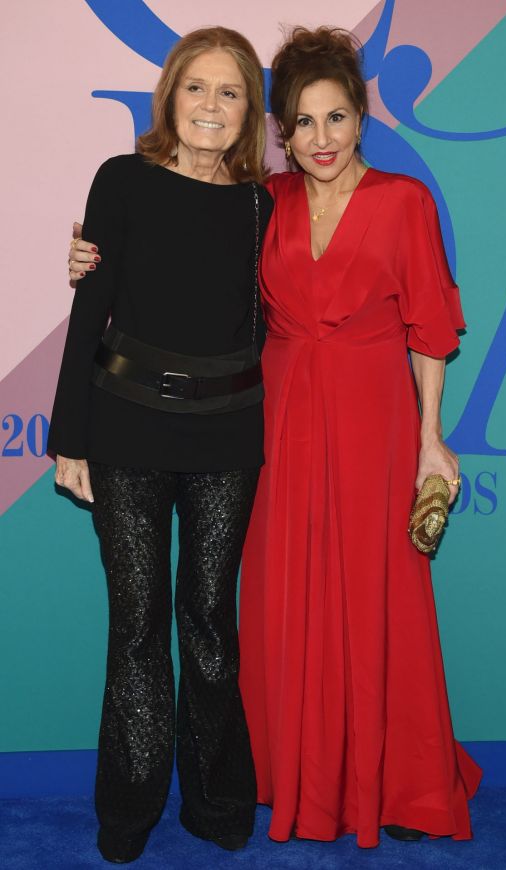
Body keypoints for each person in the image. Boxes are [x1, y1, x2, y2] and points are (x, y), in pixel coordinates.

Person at [68, 25, 482, 851]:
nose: (320, 138)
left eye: (336, 118)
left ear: (361, 118)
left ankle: (356, 786)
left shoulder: (349, 201)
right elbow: (137, 286)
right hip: (259, 421)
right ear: (282, 131)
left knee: (336, 608)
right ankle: (207, 793)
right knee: (225, 612)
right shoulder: (236, 197)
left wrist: (432, 438)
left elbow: (430, 325)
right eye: (303, 121)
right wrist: (89, 265)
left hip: (327, 423)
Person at [49, 27, 273, 863]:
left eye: (231, 92)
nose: (212, 106)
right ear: (169, 96)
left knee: (211, 623)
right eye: (197, 88)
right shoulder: (122, 182)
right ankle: (130, 811)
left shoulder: (262, 205)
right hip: (125, 430)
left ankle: (218, 802)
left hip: (227, 437)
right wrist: (67, 435)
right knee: (137, 627)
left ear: (249, 111)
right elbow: (90, 311)